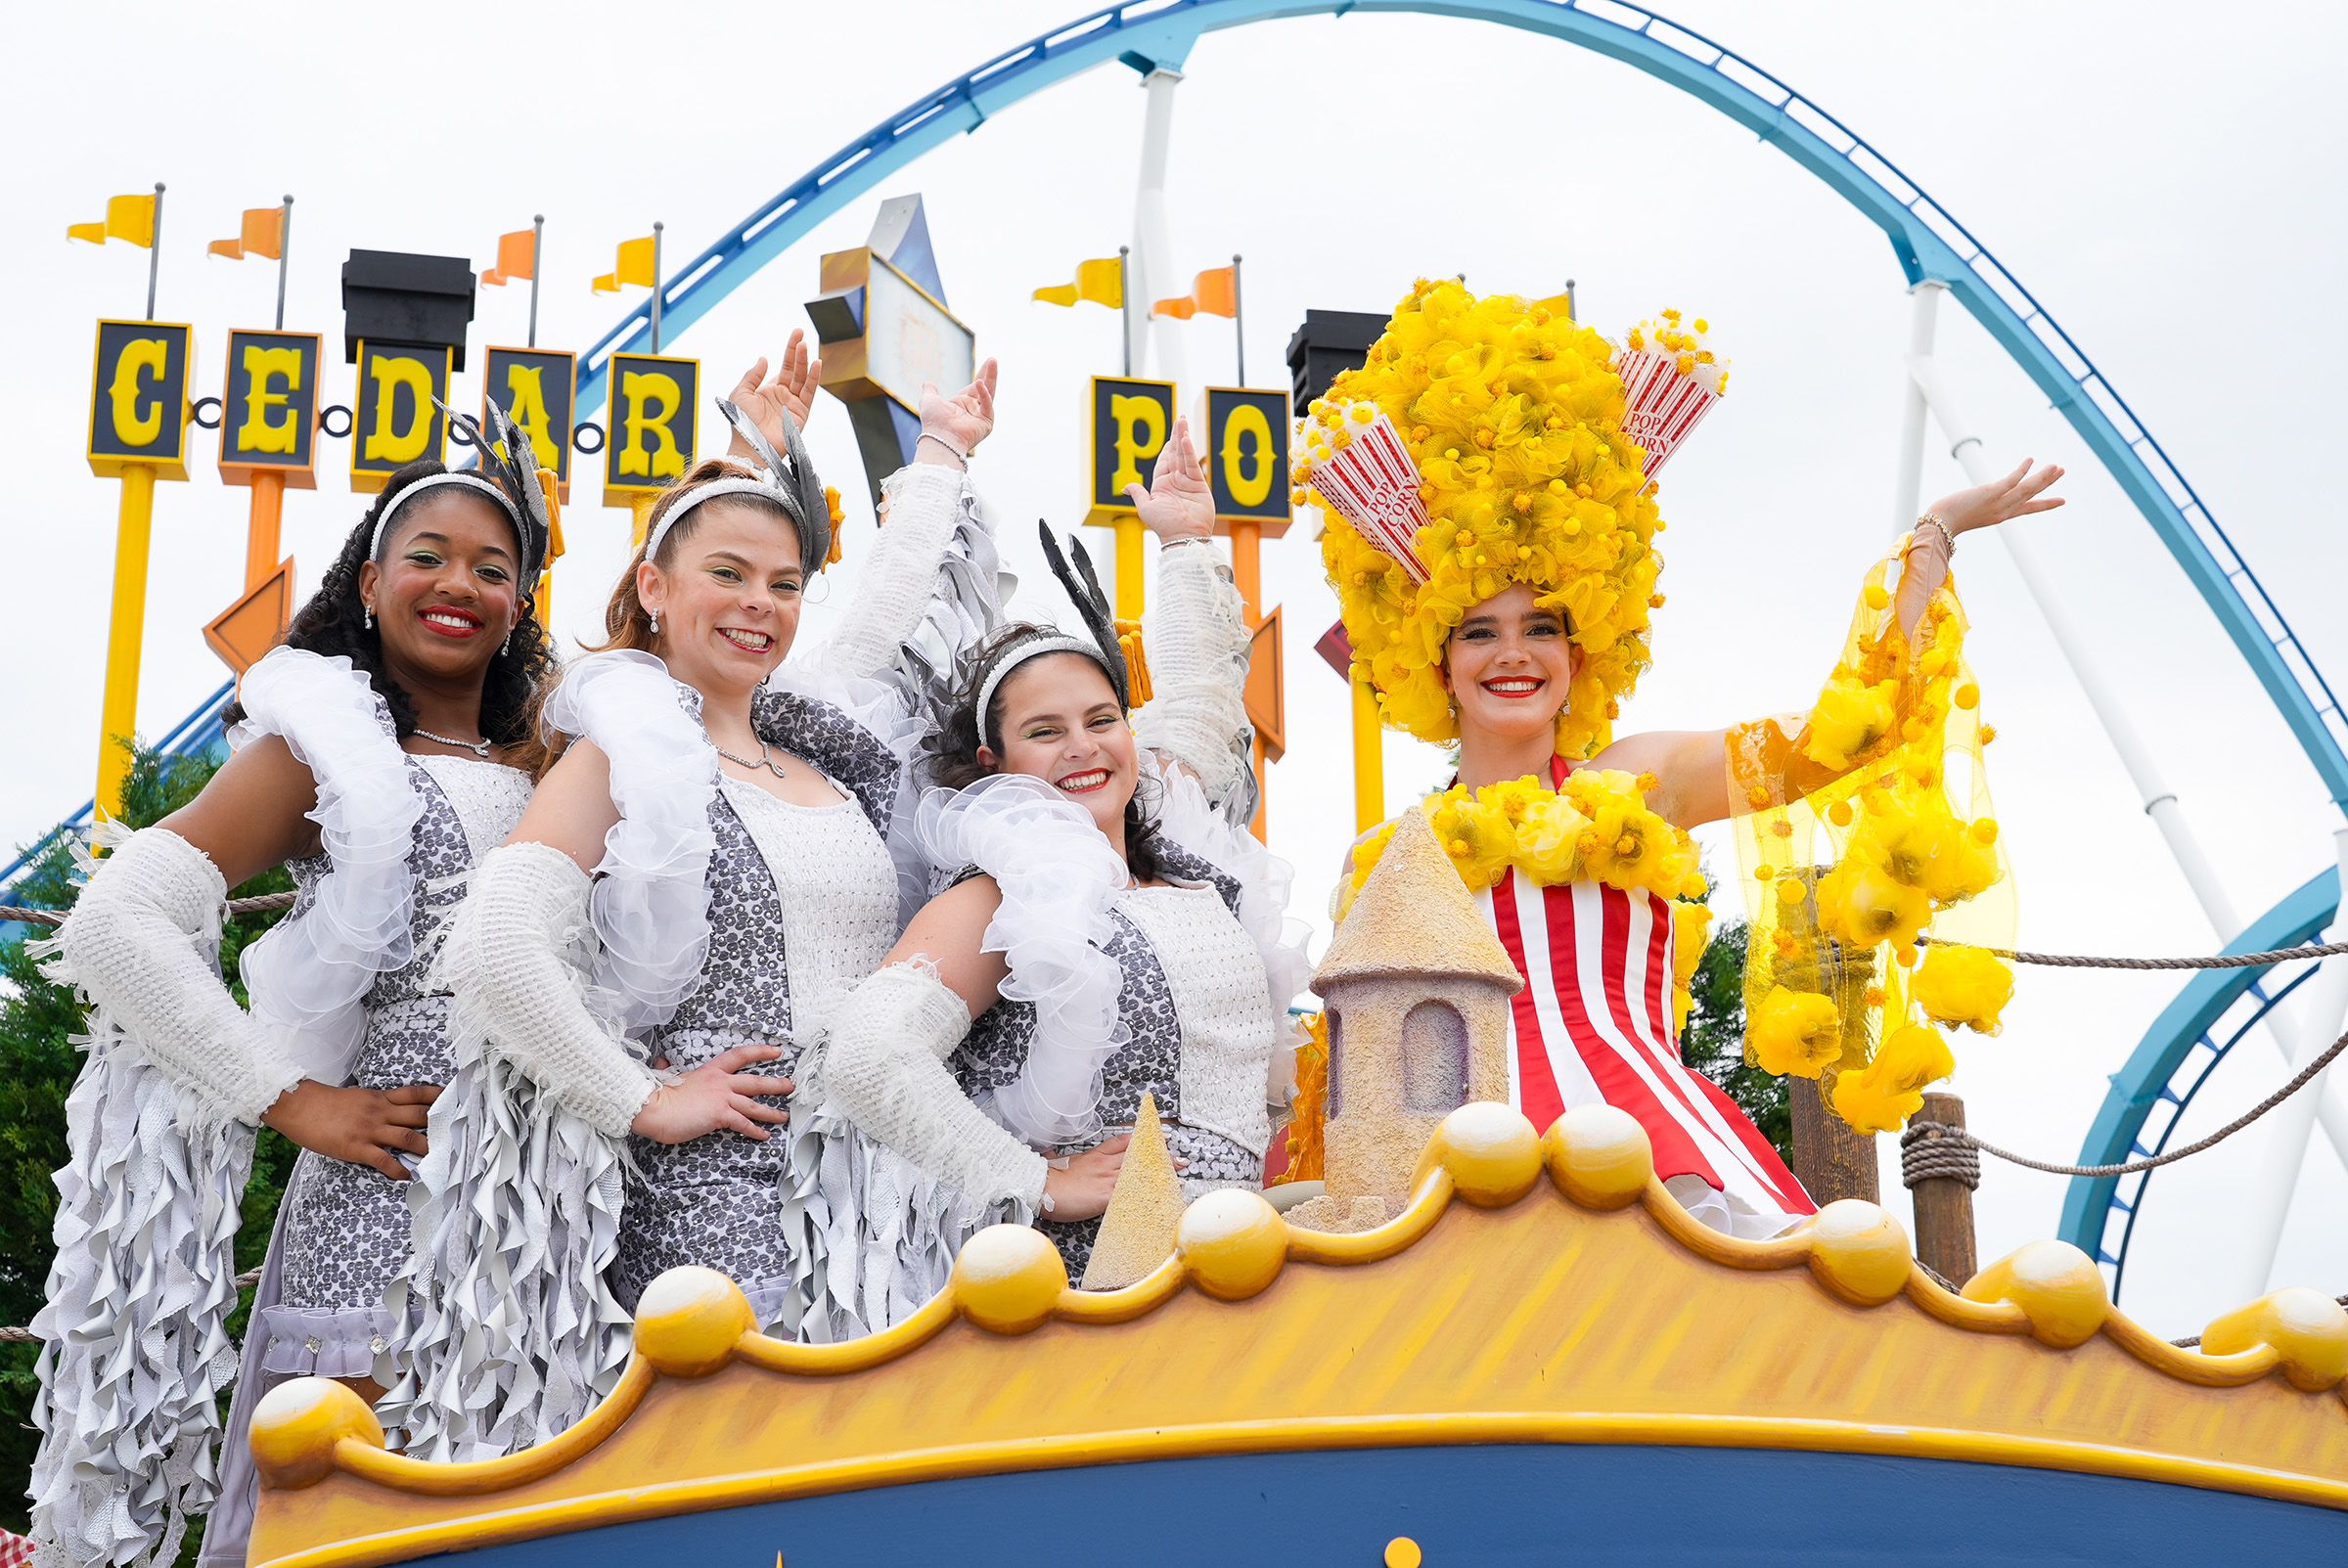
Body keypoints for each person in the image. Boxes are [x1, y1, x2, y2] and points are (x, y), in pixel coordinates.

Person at [1309, 282, 2060, 1237]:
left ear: (1583, 650)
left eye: (1543, 625)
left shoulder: (1640, 782)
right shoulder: (1380, 856)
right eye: (1477, 630)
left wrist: (1930, 544)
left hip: (1657, 1163)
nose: (1512, 654)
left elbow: (1842, 739)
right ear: (1430, 658)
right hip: (1445, 1193)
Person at [394, 362, 1005, 1459]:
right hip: (717, 1203)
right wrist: (642, 1099)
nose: (761, 604)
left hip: (881, 1204)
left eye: (784, 583)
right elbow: (494, 949)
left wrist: (942, 458)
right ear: (657, 585)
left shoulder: (816, 752)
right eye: (727, 573)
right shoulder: (619, 753)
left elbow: (882, 612)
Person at [30, 406, 559, 1568]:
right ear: (369, 582)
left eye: (491, 565)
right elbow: (117, 923)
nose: (457, 582)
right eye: (426, 556)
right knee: (355, 1531)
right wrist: (293, 1098)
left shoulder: (560, 763)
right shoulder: (329, 751)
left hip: (549, 1229)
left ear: (521, 603)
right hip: (386, 1210)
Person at [823, 418, 1311, 1280]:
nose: (1083, 746)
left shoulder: (1191, 871)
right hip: (1093, 1291)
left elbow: (1200, 701)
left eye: (1101, 720)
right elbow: (870, 1053)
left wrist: (1188, 542)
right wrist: (1039, 1182)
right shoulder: (996, 896)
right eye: (1045, 732)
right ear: (995, 764)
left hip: (1244, 1271)